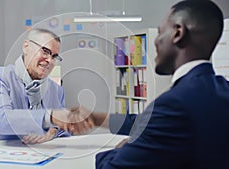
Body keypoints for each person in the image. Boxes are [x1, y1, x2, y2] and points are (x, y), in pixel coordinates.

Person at [70, 0, 229, 168]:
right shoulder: (220, 91)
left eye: (160, 32)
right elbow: (146, 121)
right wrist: (96, 118)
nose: (156, 41)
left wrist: (122, 149)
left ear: (178, 33)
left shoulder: (175, 104)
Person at [0, 28, 92, 143]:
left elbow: (64, 131)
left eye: (54, 56)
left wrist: (52, 131)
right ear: (26, 47)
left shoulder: (56, 90)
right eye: (45, 51)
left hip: (40, 155)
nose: (49, 60)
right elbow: (1, 120)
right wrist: (50, 117)